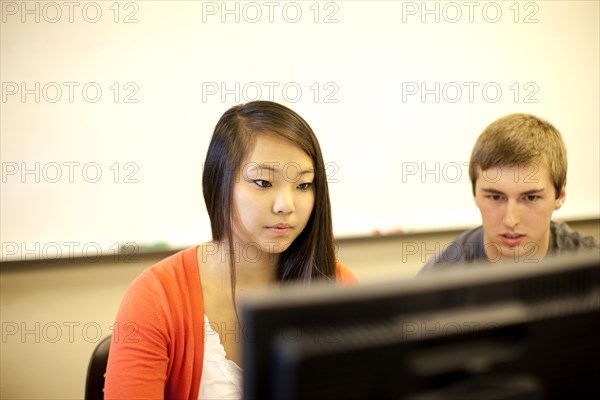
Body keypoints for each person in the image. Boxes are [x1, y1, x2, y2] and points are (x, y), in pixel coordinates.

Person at [104, 101, 357, 399]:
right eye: (263, 182)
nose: (286, 205)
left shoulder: (335, 284)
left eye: (303, 185)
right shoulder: (154, 297)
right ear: (219, 182)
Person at [418, 113, 599, 274]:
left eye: (530, 198)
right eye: (496, 197)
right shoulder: (439, 278)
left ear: (560, 195)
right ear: (475, 194)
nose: (510, 220)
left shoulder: (591, 264)